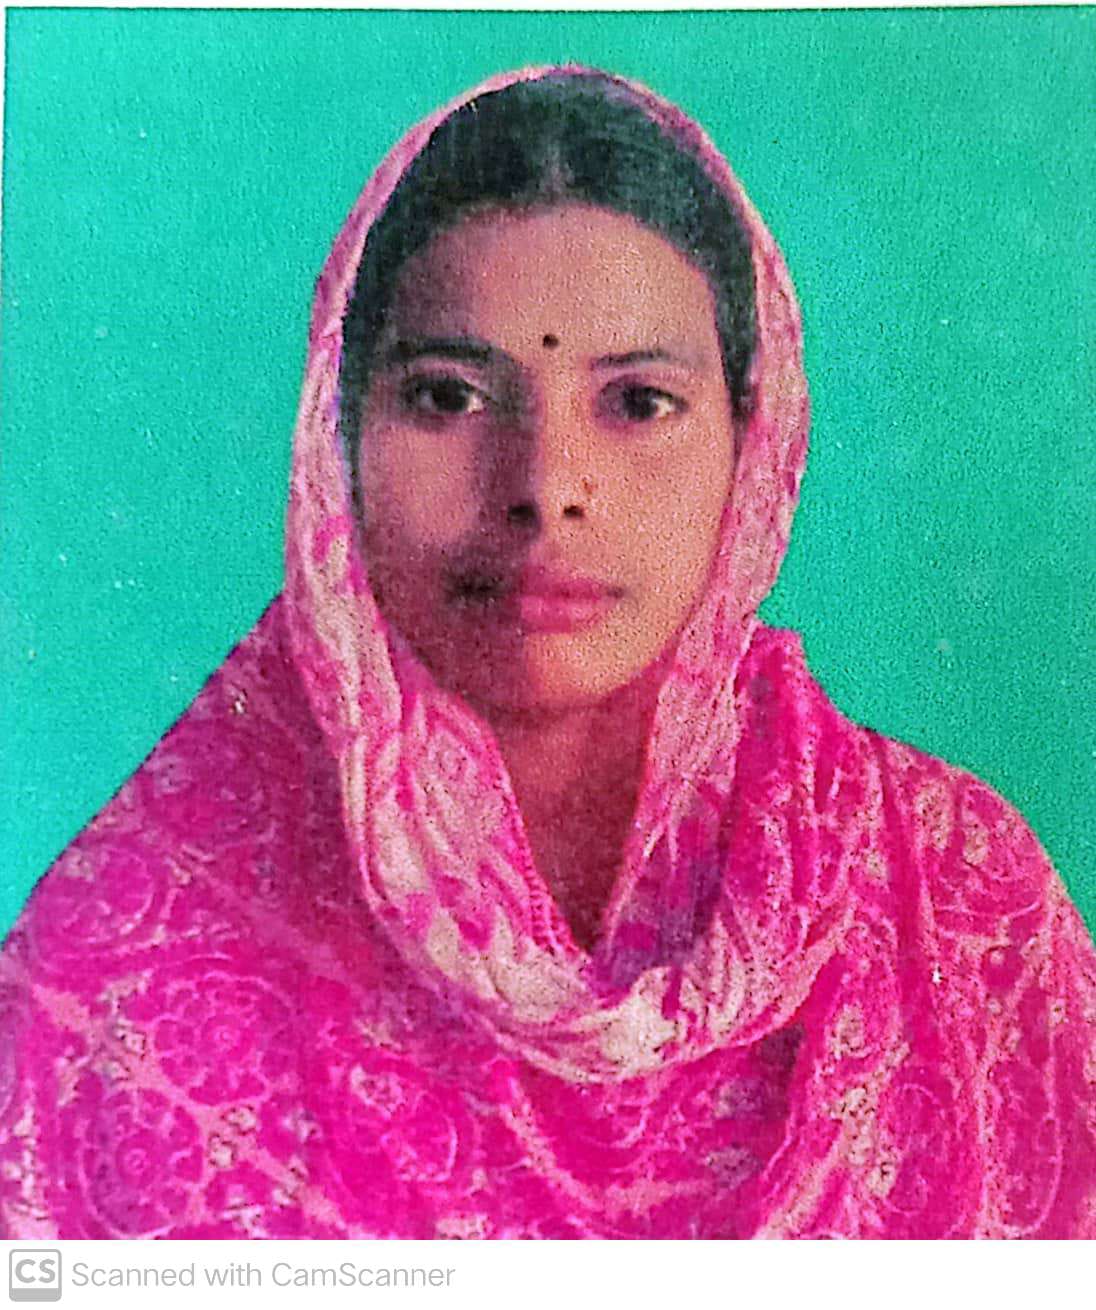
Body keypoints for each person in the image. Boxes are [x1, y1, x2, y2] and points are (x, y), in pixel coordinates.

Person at [1, 66, 1093, 1240]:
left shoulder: (953, 896)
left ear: (754, 439)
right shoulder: (128, 954)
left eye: (637, 402)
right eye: (449, 396)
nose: (543, 487)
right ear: (337, 432)